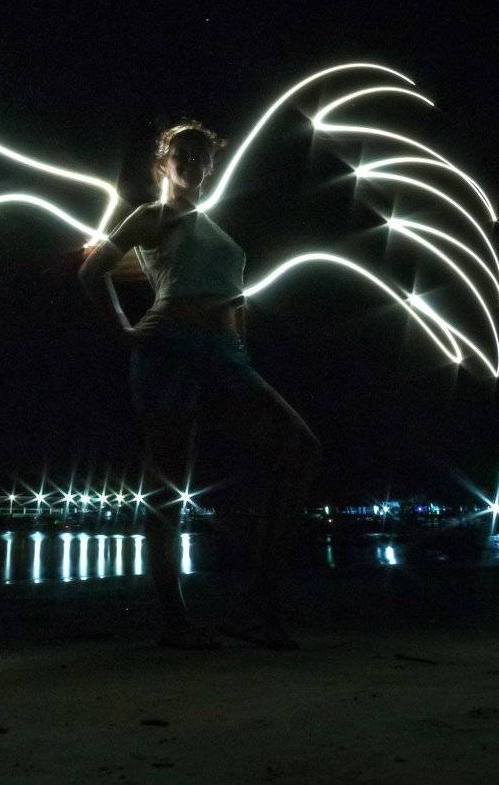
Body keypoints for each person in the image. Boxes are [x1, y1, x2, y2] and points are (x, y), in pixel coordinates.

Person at [78, 121, 321, 649]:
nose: (192, 162)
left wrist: (243, 360)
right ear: (163, 163)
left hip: (227, 355)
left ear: (211, 167)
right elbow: (92, 272)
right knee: (168, 480)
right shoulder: (153, 217)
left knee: (299, 448)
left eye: (201, 155)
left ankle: (257, 604)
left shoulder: (216, 232)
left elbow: (235, 303)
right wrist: (123, 329)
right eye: (181, 153)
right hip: (170, 346)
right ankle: (175, 621)